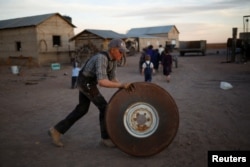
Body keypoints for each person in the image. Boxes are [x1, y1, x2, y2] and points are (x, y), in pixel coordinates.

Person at [48, 38, 135, 148]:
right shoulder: (101, 58)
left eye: (123, 52)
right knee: (104, 107)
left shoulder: (113, 61)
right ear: (112, 50)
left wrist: (122, 87)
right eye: (120, 51)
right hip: (85, 82)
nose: (122, 55)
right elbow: (102, 82)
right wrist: (121, 85)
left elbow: (112, 79)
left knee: (82, 109)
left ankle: (56, 130)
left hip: (90, 82)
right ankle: (105, 138)